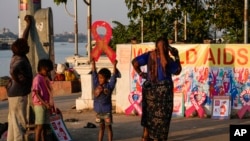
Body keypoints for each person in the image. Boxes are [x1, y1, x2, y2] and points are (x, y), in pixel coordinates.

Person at [131, 36, 182, 141]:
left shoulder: (149, 55)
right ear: (167, 47)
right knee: (162, 118)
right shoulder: (168, 60)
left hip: (150, 91)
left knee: (149, 115)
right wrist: (177, 56)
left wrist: (141, 73)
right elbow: (177, 71)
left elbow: (135, 63)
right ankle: (157, 138)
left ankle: (146, 136)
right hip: (164, 93)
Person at [6, 15, 33, 141]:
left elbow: (23, 39)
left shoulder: (16, 55)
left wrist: (28, 25)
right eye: (26, 46)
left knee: (13, 121)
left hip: (13, 94)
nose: (28, 46)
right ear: (23, 50)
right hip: (19, 95)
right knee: (20, 124)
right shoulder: (21, 61)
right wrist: (17, 80)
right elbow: (13, 71)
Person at [91, 59, 119, 141]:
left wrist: (114, 65)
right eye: (99, 77)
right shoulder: (96, 84)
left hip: (107, 111)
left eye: (102, 78)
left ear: (107, 79)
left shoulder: (109, 86)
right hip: (98, 111)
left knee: (108, 128)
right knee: (101, 128)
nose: (99, 79)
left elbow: (114, 76)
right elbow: (94, 74)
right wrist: (93, 63)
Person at [31, 59, 54, 141]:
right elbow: (36, 93)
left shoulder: (45, 78)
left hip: (46, 104)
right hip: (39, 105)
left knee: (45, 126)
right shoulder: (37, 78)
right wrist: (45, 103)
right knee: (39, 126)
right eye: (46, 71)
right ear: (42, 68)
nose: (47, 73)